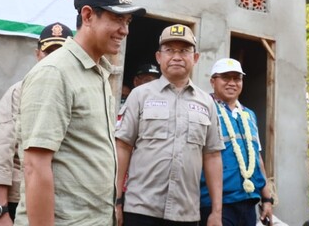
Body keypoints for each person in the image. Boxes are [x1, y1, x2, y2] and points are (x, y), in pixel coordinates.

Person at [15, 0, 146, 226]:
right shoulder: (55, 72)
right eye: (117, 19)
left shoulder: (99, 74)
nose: (125, 30)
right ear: (87, 15)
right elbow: (35, 165)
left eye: (127, 22)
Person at [115, 24, 225, 226]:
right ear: (159, 57)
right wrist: (116, 200)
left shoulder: (206, 102)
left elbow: (212, 155)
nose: (176, 56)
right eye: (170, 50)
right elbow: (123, 146)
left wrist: (217, 212)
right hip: (140, 210)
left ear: (196, 58)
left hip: (186, 213)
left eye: (184, 50)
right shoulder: (140, 95)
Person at [0, 22, 73, 226]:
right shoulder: (19, 91)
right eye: (48, 51)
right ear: (37, 54)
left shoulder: (73, 92)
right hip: (17, 201)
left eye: (61, 52)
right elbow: (0, 150)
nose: (54, 58)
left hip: (59, 203)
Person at [199, 58, 273, 226]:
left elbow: (257, 157)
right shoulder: (204, 110)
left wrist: (267, 198)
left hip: (248, 202)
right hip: (215, 204)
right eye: (226, 77)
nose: (232, 83)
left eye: (237, 78)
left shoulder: (249, 115)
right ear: (213, 81)